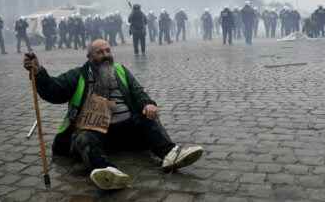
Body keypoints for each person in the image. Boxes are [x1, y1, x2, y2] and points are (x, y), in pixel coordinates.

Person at [22, 40, 204, 190]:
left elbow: (138, 92)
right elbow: (54, 90)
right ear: (90, 57)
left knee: (147, 118)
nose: (105, 55)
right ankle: (105, 171)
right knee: (83, 137)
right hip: (96, 133)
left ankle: (170, 154)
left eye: (107, 50)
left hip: (126, 131)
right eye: (99, 52)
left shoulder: (121, 71)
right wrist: (39, 73)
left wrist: (148, 104)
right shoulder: (78, 75)